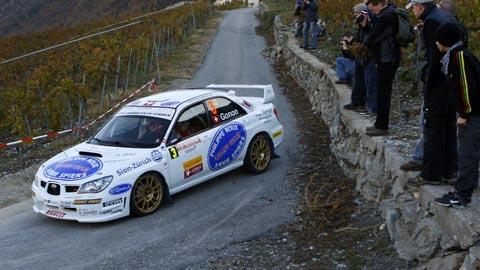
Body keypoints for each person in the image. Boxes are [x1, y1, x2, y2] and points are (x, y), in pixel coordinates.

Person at [401, 0, 468, 171]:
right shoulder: (447, 17)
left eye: (414, 7)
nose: (413, 11)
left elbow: (433, 56)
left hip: (439, 81)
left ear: (420, 7)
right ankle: (449, 168)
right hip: (452, 78)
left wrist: (428, 80)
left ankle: (431, 170)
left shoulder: (432, 22)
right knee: (447, 126)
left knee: (432, 126)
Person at [433, 23, 480, 207]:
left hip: (473, 114)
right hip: (473, 112)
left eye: (437, 39)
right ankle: (467, 185)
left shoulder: (458, 57)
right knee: (470, 152)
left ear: (443, 41)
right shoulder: (459, 54)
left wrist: (465, 113)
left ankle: (461, 195)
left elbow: (465, 89)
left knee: (467, 153)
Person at [363, 0, 401, 136]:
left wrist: (367, 38)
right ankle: (379, 124)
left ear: (378, 4)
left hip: (387, 58)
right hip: (388, 57)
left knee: (383, 92)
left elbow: (372, 38)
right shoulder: (390, 13)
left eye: (372, 8)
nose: (371, 11)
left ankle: (382, 126)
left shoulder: (386, 17)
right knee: (383, 91)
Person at [343, 3, 378, 114]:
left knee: (371, 82)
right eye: (355, 13)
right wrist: (350, 42)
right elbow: (359, 37)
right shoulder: (359, 23)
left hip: (370, 55)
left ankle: (372, 106)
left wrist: (366, 23)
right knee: (358, 79)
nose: (356, 15)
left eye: (358, 13)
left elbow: (371, 37)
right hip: (360, 54)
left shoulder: (372, 21)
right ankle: (357, 101)